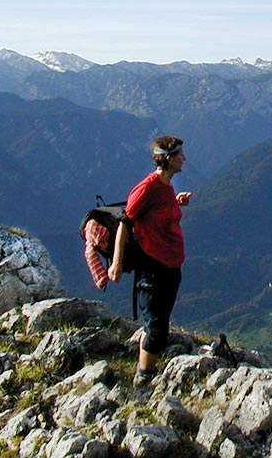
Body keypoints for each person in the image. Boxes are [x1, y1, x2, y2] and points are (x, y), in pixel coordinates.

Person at [108, 135, 192, 386]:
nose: (184, 159)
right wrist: (116, 262)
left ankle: (145, 369)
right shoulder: (148, 187)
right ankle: (143, 381)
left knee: (160, 321)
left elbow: (157, 213)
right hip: (154, 268)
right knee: (156, 328)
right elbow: (126, 222)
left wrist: (176, 203)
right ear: (168, 159)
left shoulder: (166, 188)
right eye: (180, 155)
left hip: (170, 266)